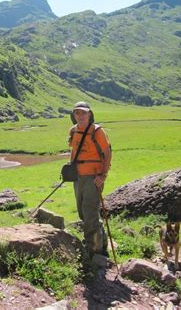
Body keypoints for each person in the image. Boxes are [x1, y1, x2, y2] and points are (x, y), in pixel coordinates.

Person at [68, 101, 112, 258]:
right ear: (74, 115)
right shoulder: (74, 131)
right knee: (82, 212)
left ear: (89, 114)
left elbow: (107, 152)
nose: (80, 115)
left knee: (90, 212)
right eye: (77, 113)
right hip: (78, 177)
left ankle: (93, 251)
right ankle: (101, 242)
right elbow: (74, 151)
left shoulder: (97, 131)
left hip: (94, 177)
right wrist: (70, 168)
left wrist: (103, 175)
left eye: (83, 113)